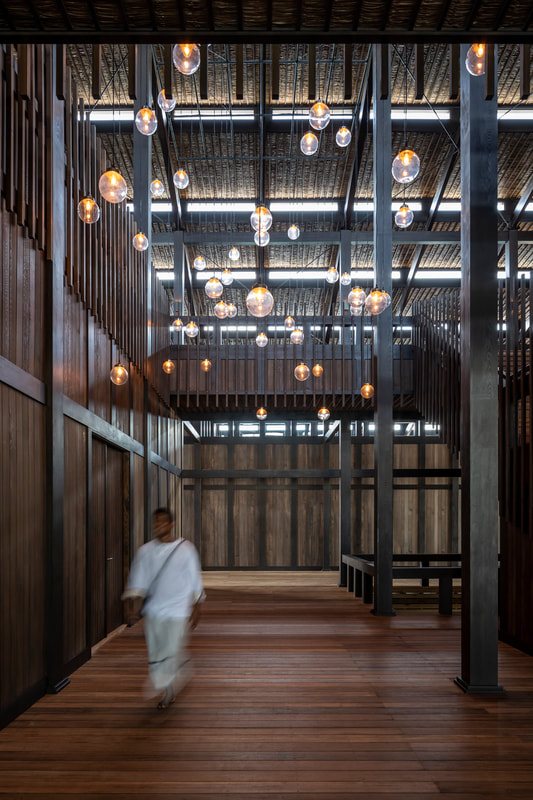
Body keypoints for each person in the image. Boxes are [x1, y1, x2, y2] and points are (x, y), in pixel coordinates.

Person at [122, 507, 205, 709]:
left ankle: (166, 689)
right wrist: (130, 607)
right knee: (157, 653)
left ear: (171, 524)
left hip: (178, 611)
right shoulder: (145, 551)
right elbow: (137, 581)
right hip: (154, 611)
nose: (157, 525)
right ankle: (174, 677)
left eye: (161, 522)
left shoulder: (186, 549)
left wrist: (197, 607)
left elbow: (195, 580)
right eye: (155, 522)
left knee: (170, 649)